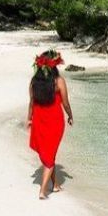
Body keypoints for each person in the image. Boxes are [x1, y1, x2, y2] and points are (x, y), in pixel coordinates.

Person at [27, 49, 73, 199]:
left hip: (39, 121)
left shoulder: (34, 81)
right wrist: (70, 116)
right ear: (54, 66)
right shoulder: (59, 81)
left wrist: (29, 119)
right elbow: (65, 103)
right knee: (50, 156)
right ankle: (43, 190)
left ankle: (56, 185)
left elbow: (31, 102)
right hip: (55, 122)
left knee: (49, 153)